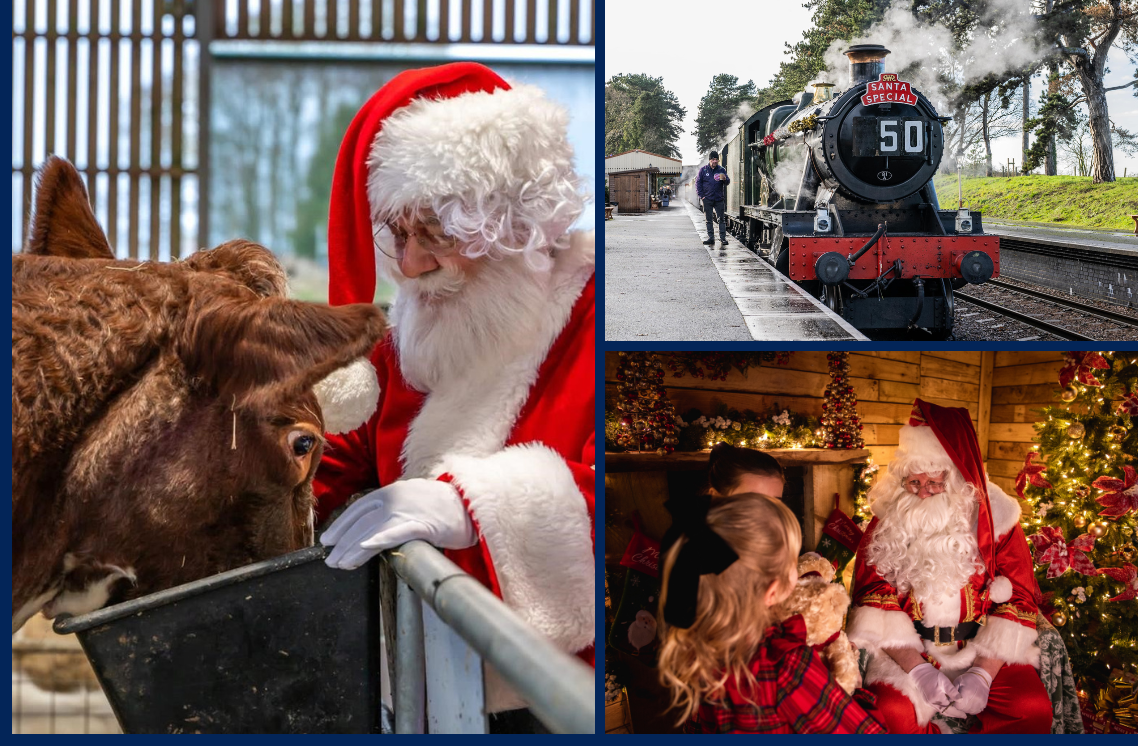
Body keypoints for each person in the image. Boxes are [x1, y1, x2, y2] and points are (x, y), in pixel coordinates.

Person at [313, 62, 595, 725]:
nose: (410, 265)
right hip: (420, 682)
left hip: (549, 697)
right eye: (399, 234)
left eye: (436, 233)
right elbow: (331, 459)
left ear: (511, 221)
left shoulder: (595, 315)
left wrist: (471, 505)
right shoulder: (408, 333)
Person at [846, 399, 1051, 734]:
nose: (923, 494)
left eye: (935, 483)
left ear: (956, 479)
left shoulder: (997, 520)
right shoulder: (887, 521)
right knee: (891, 711)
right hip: (910, 653)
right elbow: (873, 595)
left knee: (1030, 707)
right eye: (913, 483)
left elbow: (1021, 597)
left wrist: (983, 673)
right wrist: (918, 671)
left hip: (982, 647)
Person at [657, 493, 886, 734]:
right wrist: (854, 692)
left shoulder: (697, 648)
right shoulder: (784, 663)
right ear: (772, 590)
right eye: (791, 561)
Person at [695, 150, 730, 245]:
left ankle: (723, 238)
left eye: (716, 160)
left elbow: (727, 182)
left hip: (719, 199)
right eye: (713, 159)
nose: (715, 161)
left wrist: (725, 179)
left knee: (721, 219)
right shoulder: (703, 170)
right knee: (708, 220)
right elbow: (698, 183)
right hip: (707, 199)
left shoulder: (721, 170)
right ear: (710, 160)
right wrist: (702, 196)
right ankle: (711, 238)